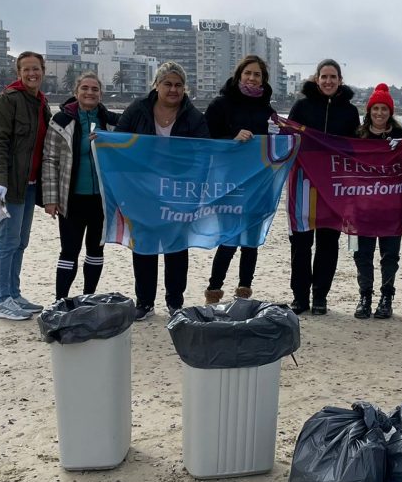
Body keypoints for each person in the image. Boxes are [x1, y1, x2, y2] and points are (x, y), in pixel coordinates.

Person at [116, 61, 210, 320]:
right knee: (144, 245)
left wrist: (195, 189)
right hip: (142, 191)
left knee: (176, 247)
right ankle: (144, 302)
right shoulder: (138, 110)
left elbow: (204, 155)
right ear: (156, 85)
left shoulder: (193, 116)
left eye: (179, 85)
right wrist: (102, 141)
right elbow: (120, 139)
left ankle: (174, 302)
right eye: (167, 83)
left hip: (178, 191)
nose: (173, 89)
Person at [286, 58, 359, 314]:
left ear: (340, 81)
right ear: (317, 79)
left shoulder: (349, 111)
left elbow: (356, 148)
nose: (328, 81)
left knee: (328, 243)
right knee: (301, 243)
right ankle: (300, 297)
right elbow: (286, 139)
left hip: (334, 187)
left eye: (333, 77)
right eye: (324, 76)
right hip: (303, 185)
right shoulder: (302, 106)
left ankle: (320, 296)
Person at [0, 51, 52, 320]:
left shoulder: (41, 103)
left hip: (30, 184)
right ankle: (2, 300)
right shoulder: (7, 100)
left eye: (36, 69)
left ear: (43, 71)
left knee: (21, 242)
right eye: (27, 70)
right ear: (19, 73)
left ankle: (14, 294)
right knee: (8, 241)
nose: (32, 74)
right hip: (10, 185)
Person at [203, 55, 276, 304]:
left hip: (258, 184)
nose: (252, 78)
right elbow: (204, 138)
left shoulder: (268, 111)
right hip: (228, 183)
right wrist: (231, 138)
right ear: (239, 75)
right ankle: (214, 291)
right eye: (248, 73)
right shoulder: (221, 104)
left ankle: (244, 291)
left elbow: (278, 144)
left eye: (257, 75)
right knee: (229, 239)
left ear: (263, 80)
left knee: (251, 242)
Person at [41, 72, 121, 300]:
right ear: (76, 92)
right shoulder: (61, 121)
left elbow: (133, 144)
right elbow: (49, 160)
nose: (89, 92)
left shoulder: (112, 121)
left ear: (101, 94)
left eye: (94, 89)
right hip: (72, 198)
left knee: (96, 251)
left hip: (101, 201)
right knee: (69, 251)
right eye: (84, 88)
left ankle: (88, 297)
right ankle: (60, 300)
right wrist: (50, 198)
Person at [351, 84, 402, 320]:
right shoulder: (357, 136)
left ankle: (386, 296)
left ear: (390, 112)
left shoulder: (401, 137)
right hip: (362, 207)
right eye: (376, 108)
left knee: (390, 255)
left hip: (392, 207)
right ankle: (365, 295)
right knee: (361, 254)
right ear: (369, 110)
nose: (380, 113)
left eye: (384, 109)